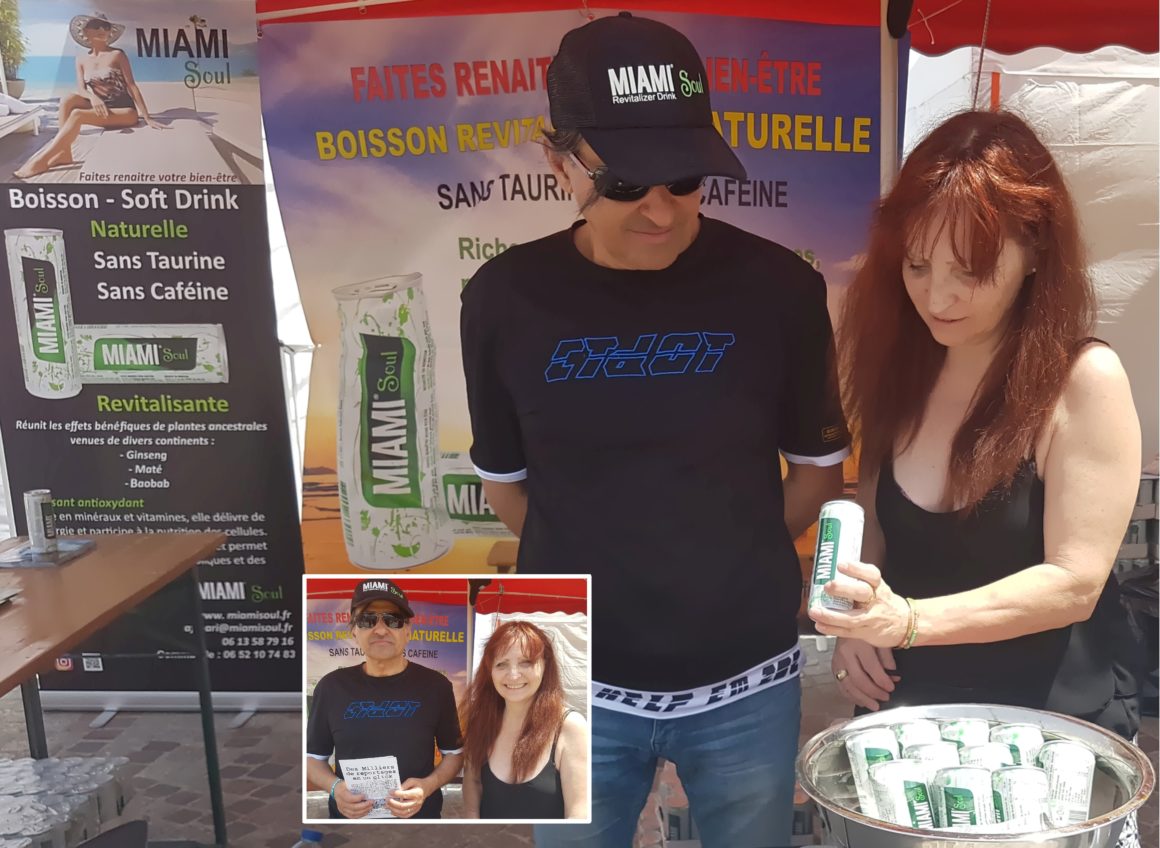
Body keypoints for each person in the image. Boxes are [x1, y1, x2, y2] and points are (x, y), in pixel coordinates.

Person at [460, 13, 848, 846]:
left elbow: (818, 475)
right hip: (568, 682)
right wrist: (610, 555)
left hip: (747, 679)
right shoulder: (502, 298)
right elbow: (508, 491)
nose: (662, 211)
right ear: (559, 162)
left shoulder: (780, 290)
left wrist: (723, 553)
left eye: (686, 179)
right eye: (628, 184)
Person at [810, 109, 1143, 757]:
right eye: (917, 266)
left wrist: (906, 621)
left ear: (1035, 250)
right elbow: (874, 526)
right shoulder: (900, 371)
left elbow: (1074, 583)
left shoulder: (1083, 379)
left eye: (970, 270)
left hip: (1049, 732)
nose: (938, 298)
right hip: (909, 721)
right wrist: (855, 624)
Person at [305, 579, 464, 819]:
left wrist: (428, 786)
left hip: (420, 820)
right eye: (367, 620)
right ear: (354, 631)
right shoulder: (330, 687)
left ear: (408, 631)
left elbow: (454, 754)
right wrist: (335, 788)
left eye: (393, 619)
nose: (380, 630)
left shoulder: (437, 686)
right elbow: (313, 759)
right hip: (350, 822)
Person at [460, 620, 589, 819]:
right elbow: (473, 781)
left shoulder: (569, 727)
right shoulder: (481, 721)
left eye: (526, 662)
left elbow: (579, 814)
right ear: (489, 671)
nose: (513, 675)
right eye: (501, 664)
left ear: (545, 665)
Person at [14, 13, 167, 180]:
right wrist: (93, 98)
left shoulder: (117, 55)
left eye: (106, 26)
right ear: (86, 32)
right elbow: (81, 89)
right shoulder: (81, 59)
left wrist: (147, 117)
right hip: (102, 107)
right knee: (68, 99)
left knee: (77, 114)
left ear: (109, 32)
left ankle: (41, 161)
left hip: (124, 111)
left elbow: (132, 85)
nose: (102, 29)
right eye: (96, 25)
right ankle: (64, 153)